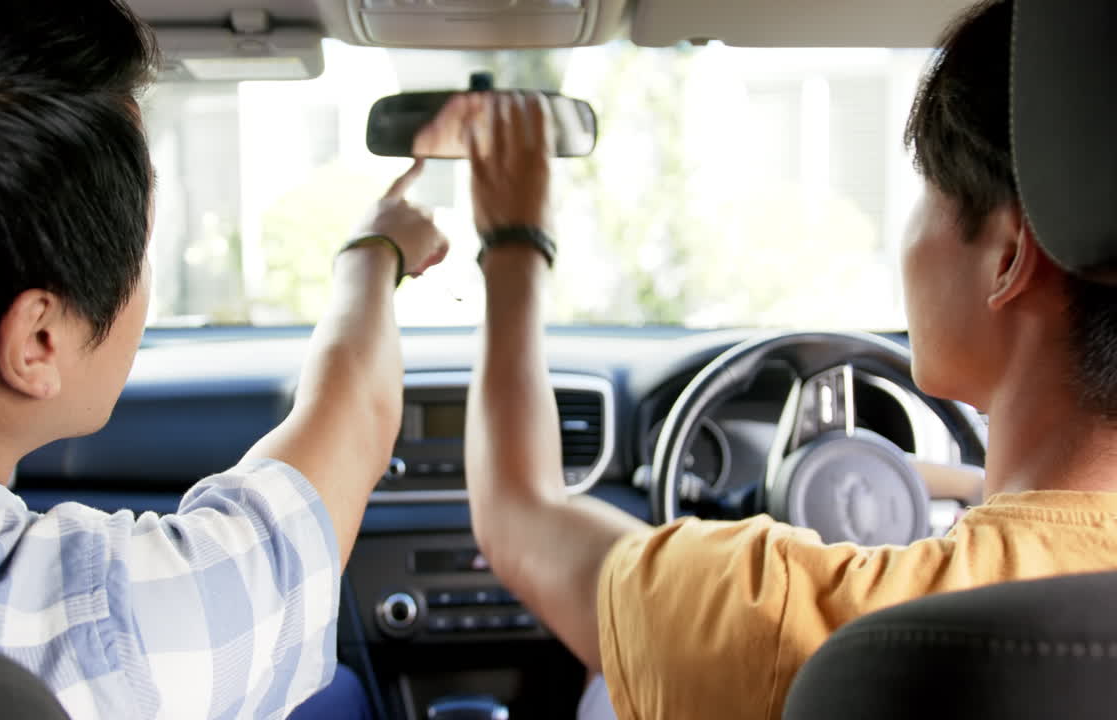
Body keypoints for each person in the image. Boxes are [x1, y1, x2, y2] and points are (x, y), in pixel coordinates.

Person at [462, 2, 1117, 719]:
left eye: (923, 194)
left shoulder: (789, 617)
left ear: (1008, 256)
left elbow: (518, 514)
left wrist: (513, 239)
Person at [0, 1, 447, 718]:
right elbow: (354, 427)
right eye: (143, 245)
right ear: (38, 343)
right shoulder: (107, 637)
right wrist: (376, 254)